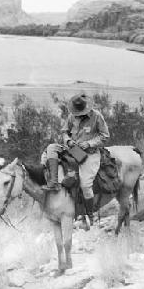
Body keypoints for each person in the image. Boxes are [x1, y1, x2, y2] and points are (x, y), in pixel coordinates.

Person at [42, 93, 110, 227]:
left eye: (80, 112)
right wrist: (68, 140)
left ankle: (90, 214)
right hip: (73, 149)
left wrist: (90, 143)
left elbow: (105, 136)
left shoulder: (96, 116)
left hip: (89, 153)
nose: (77, 115)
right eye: (76, 112)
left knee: (85, 185)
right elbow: (64, 131)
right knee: (51, 149)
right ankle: (54, 182)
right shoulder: (71, 115)